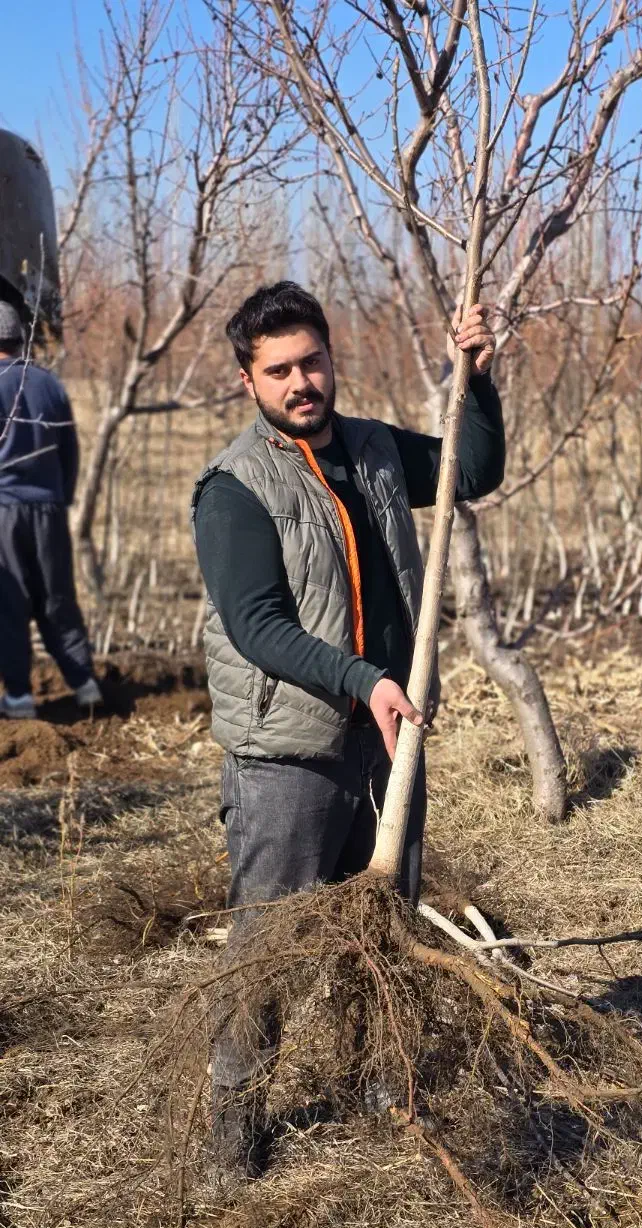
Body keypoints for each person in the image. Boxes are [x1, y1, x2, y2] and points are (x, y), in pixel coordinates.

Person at [192, 280, 504, 1176]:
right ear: (248, 381)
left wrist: (473, 379)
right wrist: (363, 679)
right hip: (288, 751)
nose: (302, 382)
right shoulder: (235, 486)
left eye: (313, 361)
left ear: (333, 358)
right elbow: (257, 626)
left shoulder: (370, 449)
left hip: (385, 738)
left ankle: (380, 1083)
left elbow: (469, 472)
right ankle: (235, 1123)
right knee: (271, 946)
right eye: (279, 369)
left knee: (383, 927)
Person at [0, 301, 102, 719]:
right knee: (58, 599)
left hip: (3, 510)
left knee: (10, 602)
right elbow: (70, 450)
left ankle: (20, 697)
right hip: (49, 508)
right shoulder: (49, 383)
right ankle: (85, 685)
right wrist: (62, 496)